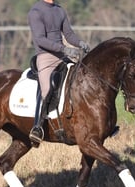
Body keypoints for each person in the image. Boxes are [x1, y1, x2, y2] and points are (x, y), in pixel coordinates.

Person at [27, 0, 90, 146]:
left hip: (62, 56)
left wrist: (80, 43)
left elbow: (68, 34)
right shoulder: (36, 12)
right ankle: (37, 127)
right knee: (47, 90)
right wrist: (64, 49)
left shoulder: (59, 10)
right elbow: (40, 39)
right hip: (46, 57)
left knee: (81, 80)